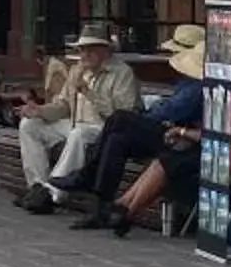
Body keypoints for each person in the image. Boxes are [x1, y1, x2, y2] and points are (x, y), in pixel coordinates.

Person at [101, 27, 231, 237]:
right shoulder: (226, 90)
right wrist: (182, 132)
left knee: (171, 162)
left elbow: (215, 136)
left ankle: (128, 210)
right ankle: (125, 206)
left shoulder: (229, 96)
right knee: (166, 159)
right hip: (218, 145)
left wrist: (182, 132)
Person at [71, 25, 227, 233]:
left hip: (181, 139)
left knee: (120, 119)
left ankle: (87, 178)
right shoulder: (186, 82)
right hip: (174, 133)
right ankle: (101, 206)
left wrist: (140, 120)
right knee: (117, 139)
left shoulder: (196, 86)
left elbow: (168, 112)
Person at [16, 30, 140, 213]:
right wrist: (40, 110)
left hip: (104, 129)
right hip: (75, 124)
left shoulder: (122, 73)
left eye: (91, 49)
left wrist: (88, 92)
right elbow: (63, 106)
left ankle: (53, 194)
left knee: (79, 134)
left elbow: (122, 115)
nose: (84, 55)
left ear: (105, 50)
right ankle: (37, 188)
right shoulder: (77, 70)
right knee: (29, 125)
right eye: (82, 49)